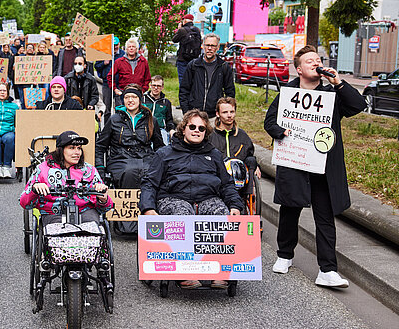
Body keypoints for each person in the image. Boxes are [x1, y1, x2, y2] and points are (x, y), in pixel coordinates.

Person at [265, 46, 367, 288]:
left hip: (322, 166)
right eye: (309, 60)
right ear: (299, 69)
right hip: (295, 161)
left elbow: (358, 105)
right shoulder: (288, 93)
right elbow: (270, 121)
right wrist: (281, 132)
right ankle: (285, 255)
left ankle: (328, 269)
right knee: (290, 209)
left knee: (325, 217)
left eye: (318, 59)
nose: (315, 62)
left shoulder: (332, 95)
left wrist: (339, 82)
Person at [140, 109, 243, 289]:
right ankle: (183, 271)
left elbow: (227, 184)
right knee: (183, 214)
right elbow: (149, 183)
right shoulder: (165, 153)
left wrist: (235, 205)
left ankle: (218, 270)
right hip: (173, 197)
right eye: (192, 127)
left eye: (201, 129)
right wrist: (148, 208)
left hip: (206, 198)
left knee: (220, 214)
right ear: (183, 129)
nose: (196, 131)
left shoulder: (215, 155)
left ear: (206, 132)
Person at [96, 85, 164, 234]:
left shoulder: (151, 119)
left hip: (145, 158)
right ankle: (127, 224)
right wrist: (100, 169)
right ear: (123, 100)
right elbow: (100, 146)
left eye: (133, 97)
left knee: (149, 174)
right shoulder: (114, 119)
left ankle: (148, 216)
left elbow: (160, 147)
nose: (130, 100)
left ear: (140, 100)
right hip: (120, 159)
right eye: (127, 97)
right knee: (130, 171)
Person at [19, 131, 112, 227]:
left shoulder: (89, 170)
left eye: (79, 148)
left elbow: (106, 207)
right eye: (72, 148)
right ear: (61, 150)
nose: (77, 152)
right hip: (54, 212)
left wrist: (103, 198)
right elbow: (24, 203)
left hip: (84, 211)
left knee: (91, 229)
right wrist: (34, 189)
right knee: (59, 231)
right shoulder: (43, 169)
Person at [179, 32, 234, 114]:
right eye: (207, 45)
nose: (209, 48)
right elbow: (184, 90)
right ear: (203, 46)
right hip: (194, 113)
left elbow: (230, 93)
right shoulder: (193, 65)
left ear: (218, 47)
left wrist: (223, 112)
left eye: (213, 46)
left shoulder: (223, 67)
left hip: (214, 115)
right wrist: (186, 112)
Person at [209, 96, 260, 183]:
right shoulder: (210, 136)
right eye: (225, 112)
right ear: (218, 114)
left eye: (232, 112)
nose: (229, 115)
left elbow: (249, 154)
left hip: (239, 177)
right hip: (217, 176)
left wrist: (255, 166)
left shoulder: (242, 135)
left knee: (251, 161)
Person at [0, 81, 19, 179]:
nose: (2, 92)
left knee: (10, 138)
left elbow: (18, 122)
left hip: (8, 131)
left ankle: (6, 167)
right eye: (0, 90)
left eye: (4, 90)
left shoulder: (14, 106)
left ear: (7, 92)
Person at [109, 38, 151, 107]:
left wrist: (143, 90)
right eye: (129, 47)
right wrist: (115, 89)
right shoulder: (119, 62)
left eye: (133, 47)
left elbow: (147, 78)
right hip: (124, 93)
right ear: (126, 49)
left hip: (138, 93)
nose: (131, 48)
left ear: (137, 49)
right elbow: (110, 76)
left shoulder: (143, 61)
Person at [142, 75, 175, 144]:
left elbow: (169, 119)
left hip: (160, 129)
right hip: (144, 128)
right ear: (150, 86)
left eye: (159, 86)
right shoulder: (142, 99)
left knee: (164, 147)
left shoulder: (166, 102)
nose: (156, 88)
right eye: (154, 85)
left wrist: (172, 130)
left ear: (162, 87)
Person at [172, 14, 203, 87]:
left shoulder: (182, 30)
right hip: (194, 59)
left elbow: (174, 40)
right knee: (192, 79)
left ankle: (183, 96)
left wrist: (179, 29)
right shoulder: (197, 30)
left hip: (182, 59)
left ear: (185, 20)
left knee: (182, 79)